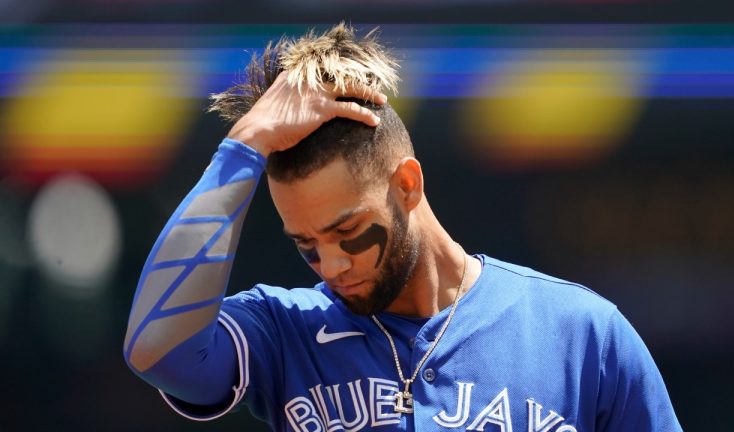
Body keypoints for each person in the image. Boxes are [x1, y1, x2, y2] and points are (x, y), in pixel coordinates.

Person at [124, 23, 682, 431]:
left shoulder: (583, 333)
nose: (332, 265)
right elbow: (157, 350)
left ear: (408, 184)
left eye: (348, 231)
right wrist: (243, 145)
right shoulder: (284, 330)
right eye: (307, 245)